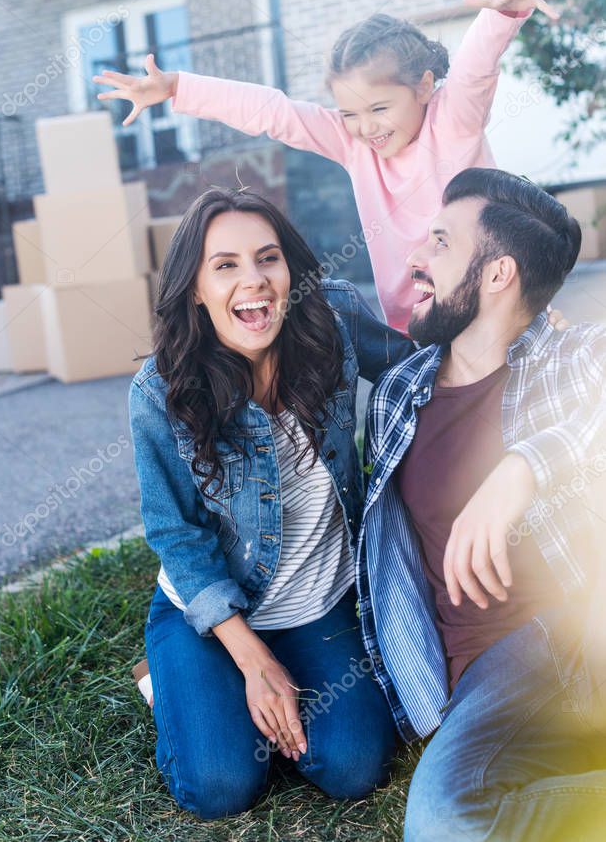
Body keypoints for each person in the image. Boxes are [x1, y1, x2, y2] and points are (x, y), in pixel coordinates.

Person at [128, 187, 414, 819]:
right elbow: (176, 534)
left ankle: (234, 701)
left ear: (293, 272)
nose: (253, 282)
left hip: (316, 600)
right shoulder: (161, 389)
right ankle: (172, 678)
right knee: (220, 787)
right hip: (213, 609)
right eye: (224, 265)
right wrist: (253, 660)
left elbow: (418, 371)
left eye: (269, 258)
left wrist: (520, 338)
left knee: (353, 766)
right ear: (195, 289)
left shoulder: (331, 321)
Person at [94, 0, 560, 333]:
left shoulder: (454, 119)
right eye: (350, 113)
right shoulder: (352, 143)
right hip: (414, 325)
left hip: (491, 305)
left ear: (422, 86)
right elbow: (272, 112)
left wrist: (504, 13)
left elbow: (475, 66)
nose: (366, 127)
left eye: (379, 109)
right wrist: (178, 86)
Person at [357, 167, 606, 840]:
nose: (413, 257)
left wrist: (524, 466)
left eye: (438, 242)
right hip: (477, 676)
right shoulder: (398, 393)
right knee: (450, 814)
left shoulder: (569, 361)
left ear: (497, 274)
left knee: (443, 821)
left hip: (567, 636)